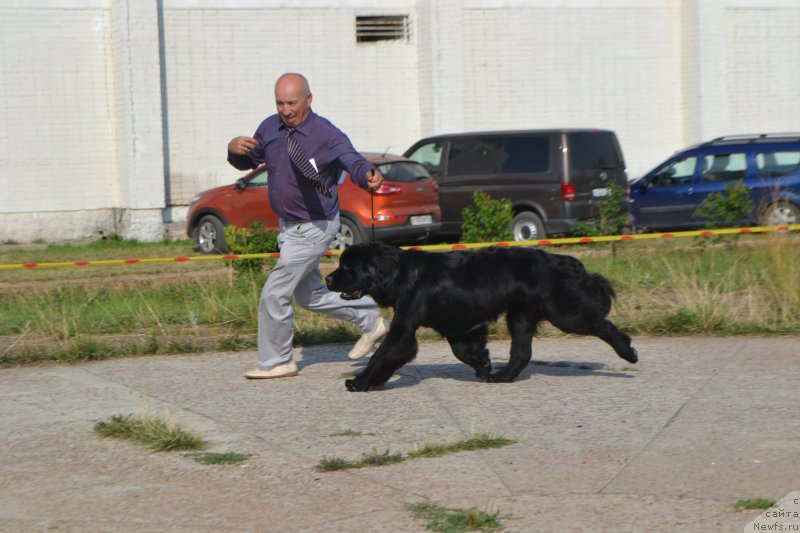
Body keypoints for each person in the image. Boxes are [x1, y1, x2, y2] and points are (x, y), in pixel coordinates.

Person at [227, 72, 389, 379]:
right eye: (280, 103)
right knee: (310, 295)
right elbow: (249, 159)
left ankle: (277, 361)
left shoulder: (326, 134)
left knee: (274, 293)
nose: (285, 110)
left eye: (291, 102)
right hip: (289, 227)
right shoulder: (270, 127)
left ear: (308, 99)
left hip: (317, 226)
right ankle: (372, 320)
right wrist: (234, 149)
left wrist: (367, 172)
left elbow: (351, 160)